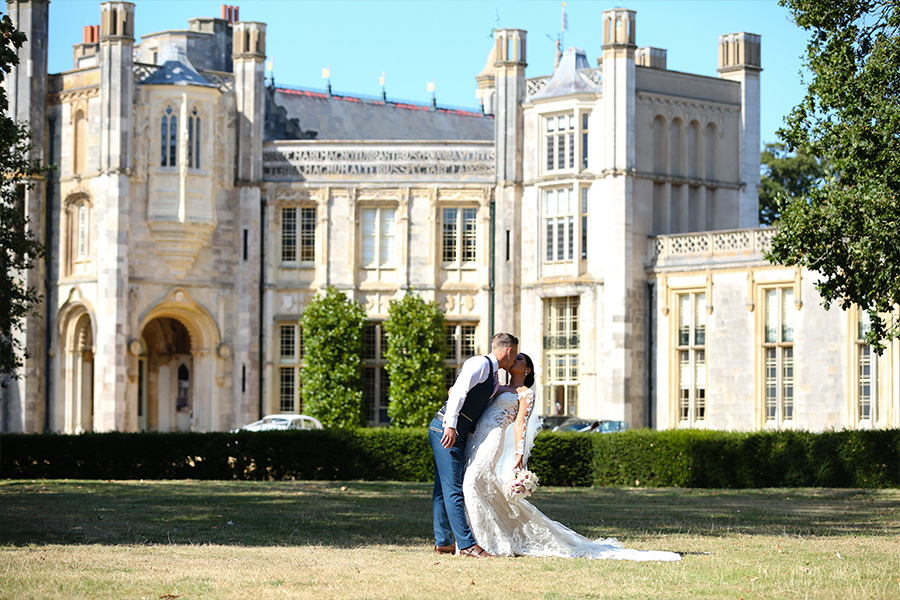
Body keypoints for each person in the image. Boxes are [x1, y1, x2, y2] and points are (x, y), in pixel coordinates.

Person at [462, 353, 681, 561]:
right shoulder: (497, 386)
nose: (514, 359)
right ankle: (474, 537)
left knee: (472, 482)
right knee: (476, 485)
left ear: (527, 370)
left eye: (519, 358)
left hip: (493, 440)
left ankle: (484, 541)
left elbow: (520, 424)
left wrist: (519, 454)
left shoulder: (525, 393)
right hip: (477, 438)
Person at [429, 332, 519, 558]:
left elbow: (481, 394)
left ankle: (443, 542)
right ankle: (468, 545)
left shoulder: (493, 375)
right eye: (515, 354)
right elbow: (458, 392)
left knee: (443, 489)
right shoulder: (480, 364)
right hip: (445, 430)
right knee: (454, 490)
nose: (514, 358)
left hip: (455, 432)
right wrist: (450, 426)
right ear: (509, 351)